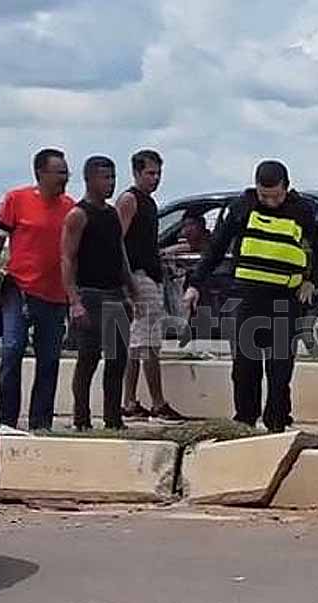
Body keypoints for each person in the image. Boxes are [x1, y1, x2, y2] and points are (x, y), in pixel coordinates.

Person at [183, 160, 318, 432]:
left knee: (279, 368)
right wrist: (195, 283)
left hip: (286, 300)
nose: (270, 202)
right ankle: (245, 420)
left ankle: (277, 422)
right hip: (248, 297)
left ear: (286, 188)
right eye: (265, 196)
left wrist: (311, 280)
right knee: (245, 366)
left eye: (275, 196)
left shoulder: (301, 210)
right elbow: (215, 249)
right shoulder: (242, 207)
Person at [0, 148, 75, 431]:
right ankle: (7, 420)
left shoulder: (71, 208)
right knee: (12, 349)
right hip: (18, 289)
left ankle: (40, 422)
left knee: (49, 359)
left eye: (66, 172)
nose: (64, 178)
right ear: (40, 174)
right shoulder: (16, 200)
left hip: (55, 295)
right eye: (59, 172)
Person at [62, 156, 139, 431]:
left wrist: (132, 290)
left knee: (118, 359)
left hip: (115, 293)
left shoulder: (111, 215)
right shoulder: (78, 215)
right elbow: (67, 258)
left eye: (112, 178)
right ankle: (81, 419)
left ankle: (113, 418)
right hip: (90, 294)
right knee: (88, 359)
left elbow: (120, 253)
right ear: (89, 179)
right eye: (104, 178)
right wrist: (74, 301)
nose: (109, 183)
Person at [118, 149, 186, 423]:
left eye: (158, 173)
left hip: (151, 274)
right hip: (138, 277)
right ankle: (156, 402)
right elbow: (117, 242)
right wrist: (127, 282)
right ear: (136, 173)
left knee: (139, 343)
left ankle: (130, 401)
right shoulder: (130, 200)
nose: (155, 179)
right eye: (150, 173)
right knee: (147, 343)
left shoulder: (150, 203)